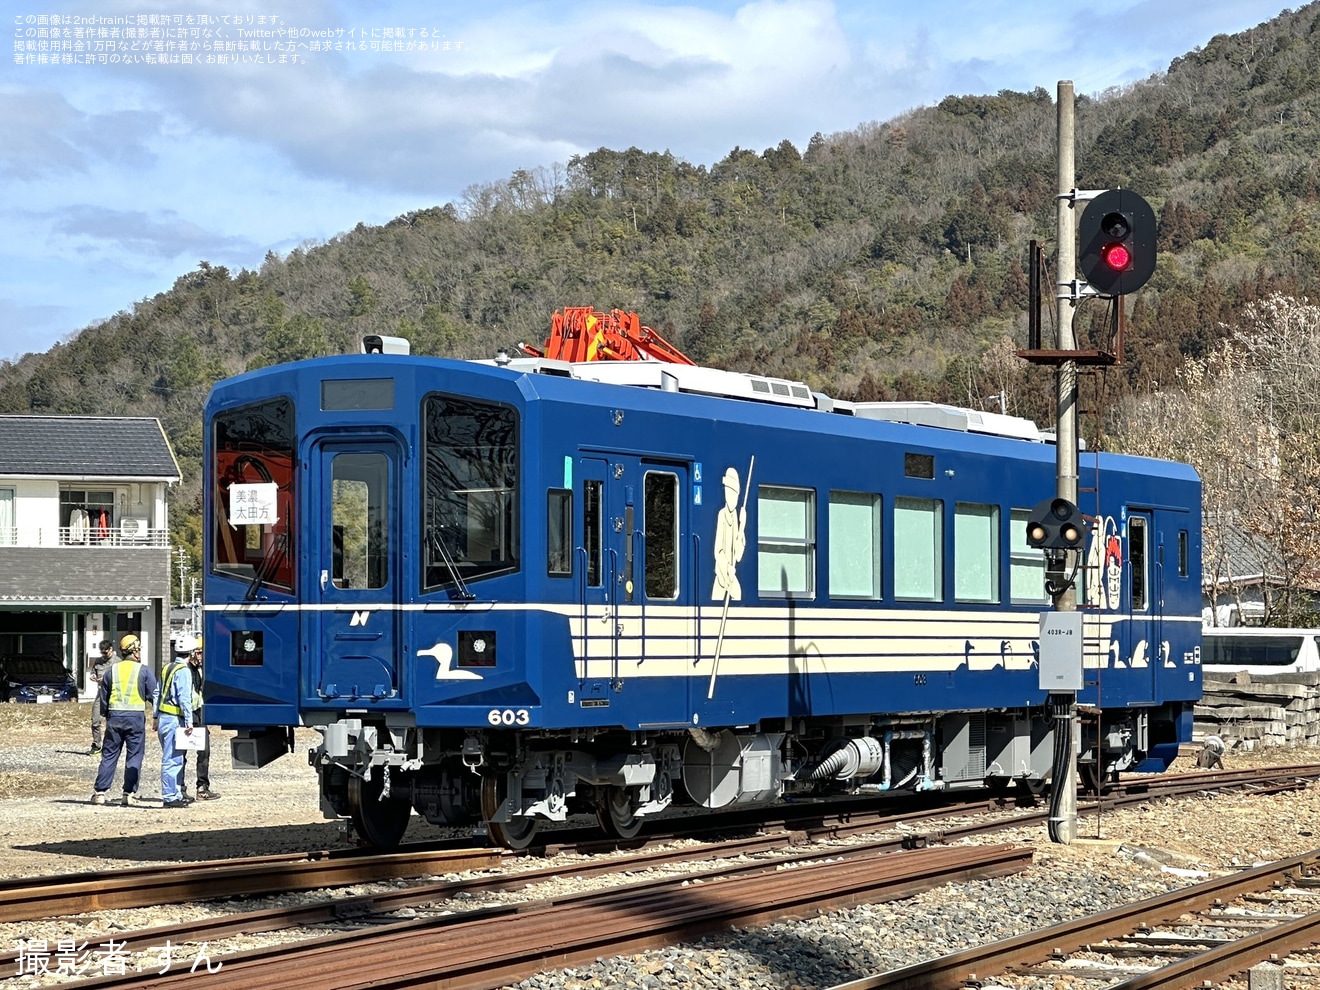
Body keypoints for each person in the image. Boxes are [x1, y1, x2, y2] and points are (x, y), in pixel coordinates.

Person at [90, 634, 158, 807]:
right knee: (134, 755)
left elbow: (103, 697)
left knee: (109, 754)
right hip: (135, 718)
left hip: (114, 717)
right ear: (135, 652)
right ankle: (128, 793)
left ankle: (100, 792)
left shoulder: (112, 671)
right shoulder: (143, 670)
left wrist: (106, 714)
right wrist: (157, 716)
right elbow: (154, 695)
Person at [178, 635, 220, 800]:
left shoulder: (203, 669)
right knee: (180, 753)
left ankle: (202, 787)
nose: (201, 656)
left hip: (199, 713)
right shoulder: (183, 669)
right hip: (186, 714)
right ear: (192, 653)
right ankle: (179, 788)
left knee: (204, 751)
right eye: (199, 652)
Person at [154, 641, 195, 809]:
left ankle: (176, 794)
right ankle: (170, 797)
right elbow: (184, 698)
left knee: (173, 757)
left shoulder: (167, 668)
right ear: (191, 652)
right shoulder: (184, 671)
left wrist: (155, 716)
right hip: (174, 719)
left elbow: (157, 693)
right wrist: (189, 720)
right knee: (172, 759)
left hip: (163, 718)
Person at [88, 639, 115, 755]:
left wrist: (106, 680)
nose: (104, 655)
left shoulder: (117, 662)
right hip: (101, 694)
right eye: (102, 652)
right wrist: (93, 676)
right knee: (95, 720)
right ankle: (97, 745)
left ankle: (111, 747)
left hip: (113, 694)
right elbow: (93, 671)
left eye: (106, 652)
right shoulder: (98, 661)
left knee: (112, 723)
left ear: (111, 649)